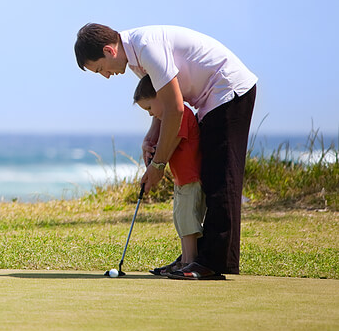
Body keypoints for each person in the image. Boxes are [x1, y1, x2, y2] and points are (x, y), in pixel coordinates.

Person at [74, 23, 257, 280]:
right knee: (211, 175)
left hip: (228, 91)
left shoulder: (147, 50)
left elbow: (175, 109)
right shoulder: (137, 60)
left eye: (100, 68)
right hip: (211, 99)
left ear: (109, 50)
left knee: (221, 179)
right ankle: (194, 259)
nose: (105, 75)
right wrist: (152, 134)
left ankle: (211, 263)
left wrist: (158, 165)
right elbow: (163, 103)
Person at [133, 75, 205, 276]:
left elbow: (172, 144)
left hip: (191, 178)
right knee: (180, 219)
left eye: (149, 108)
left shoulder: (179, 115)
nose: (150, 114)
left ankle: (190, 261)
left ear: (160, 96)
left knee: (188, 220)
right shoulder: (168, 119)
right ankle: (184, 260)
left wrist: (158, 159)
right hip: (181, 179)